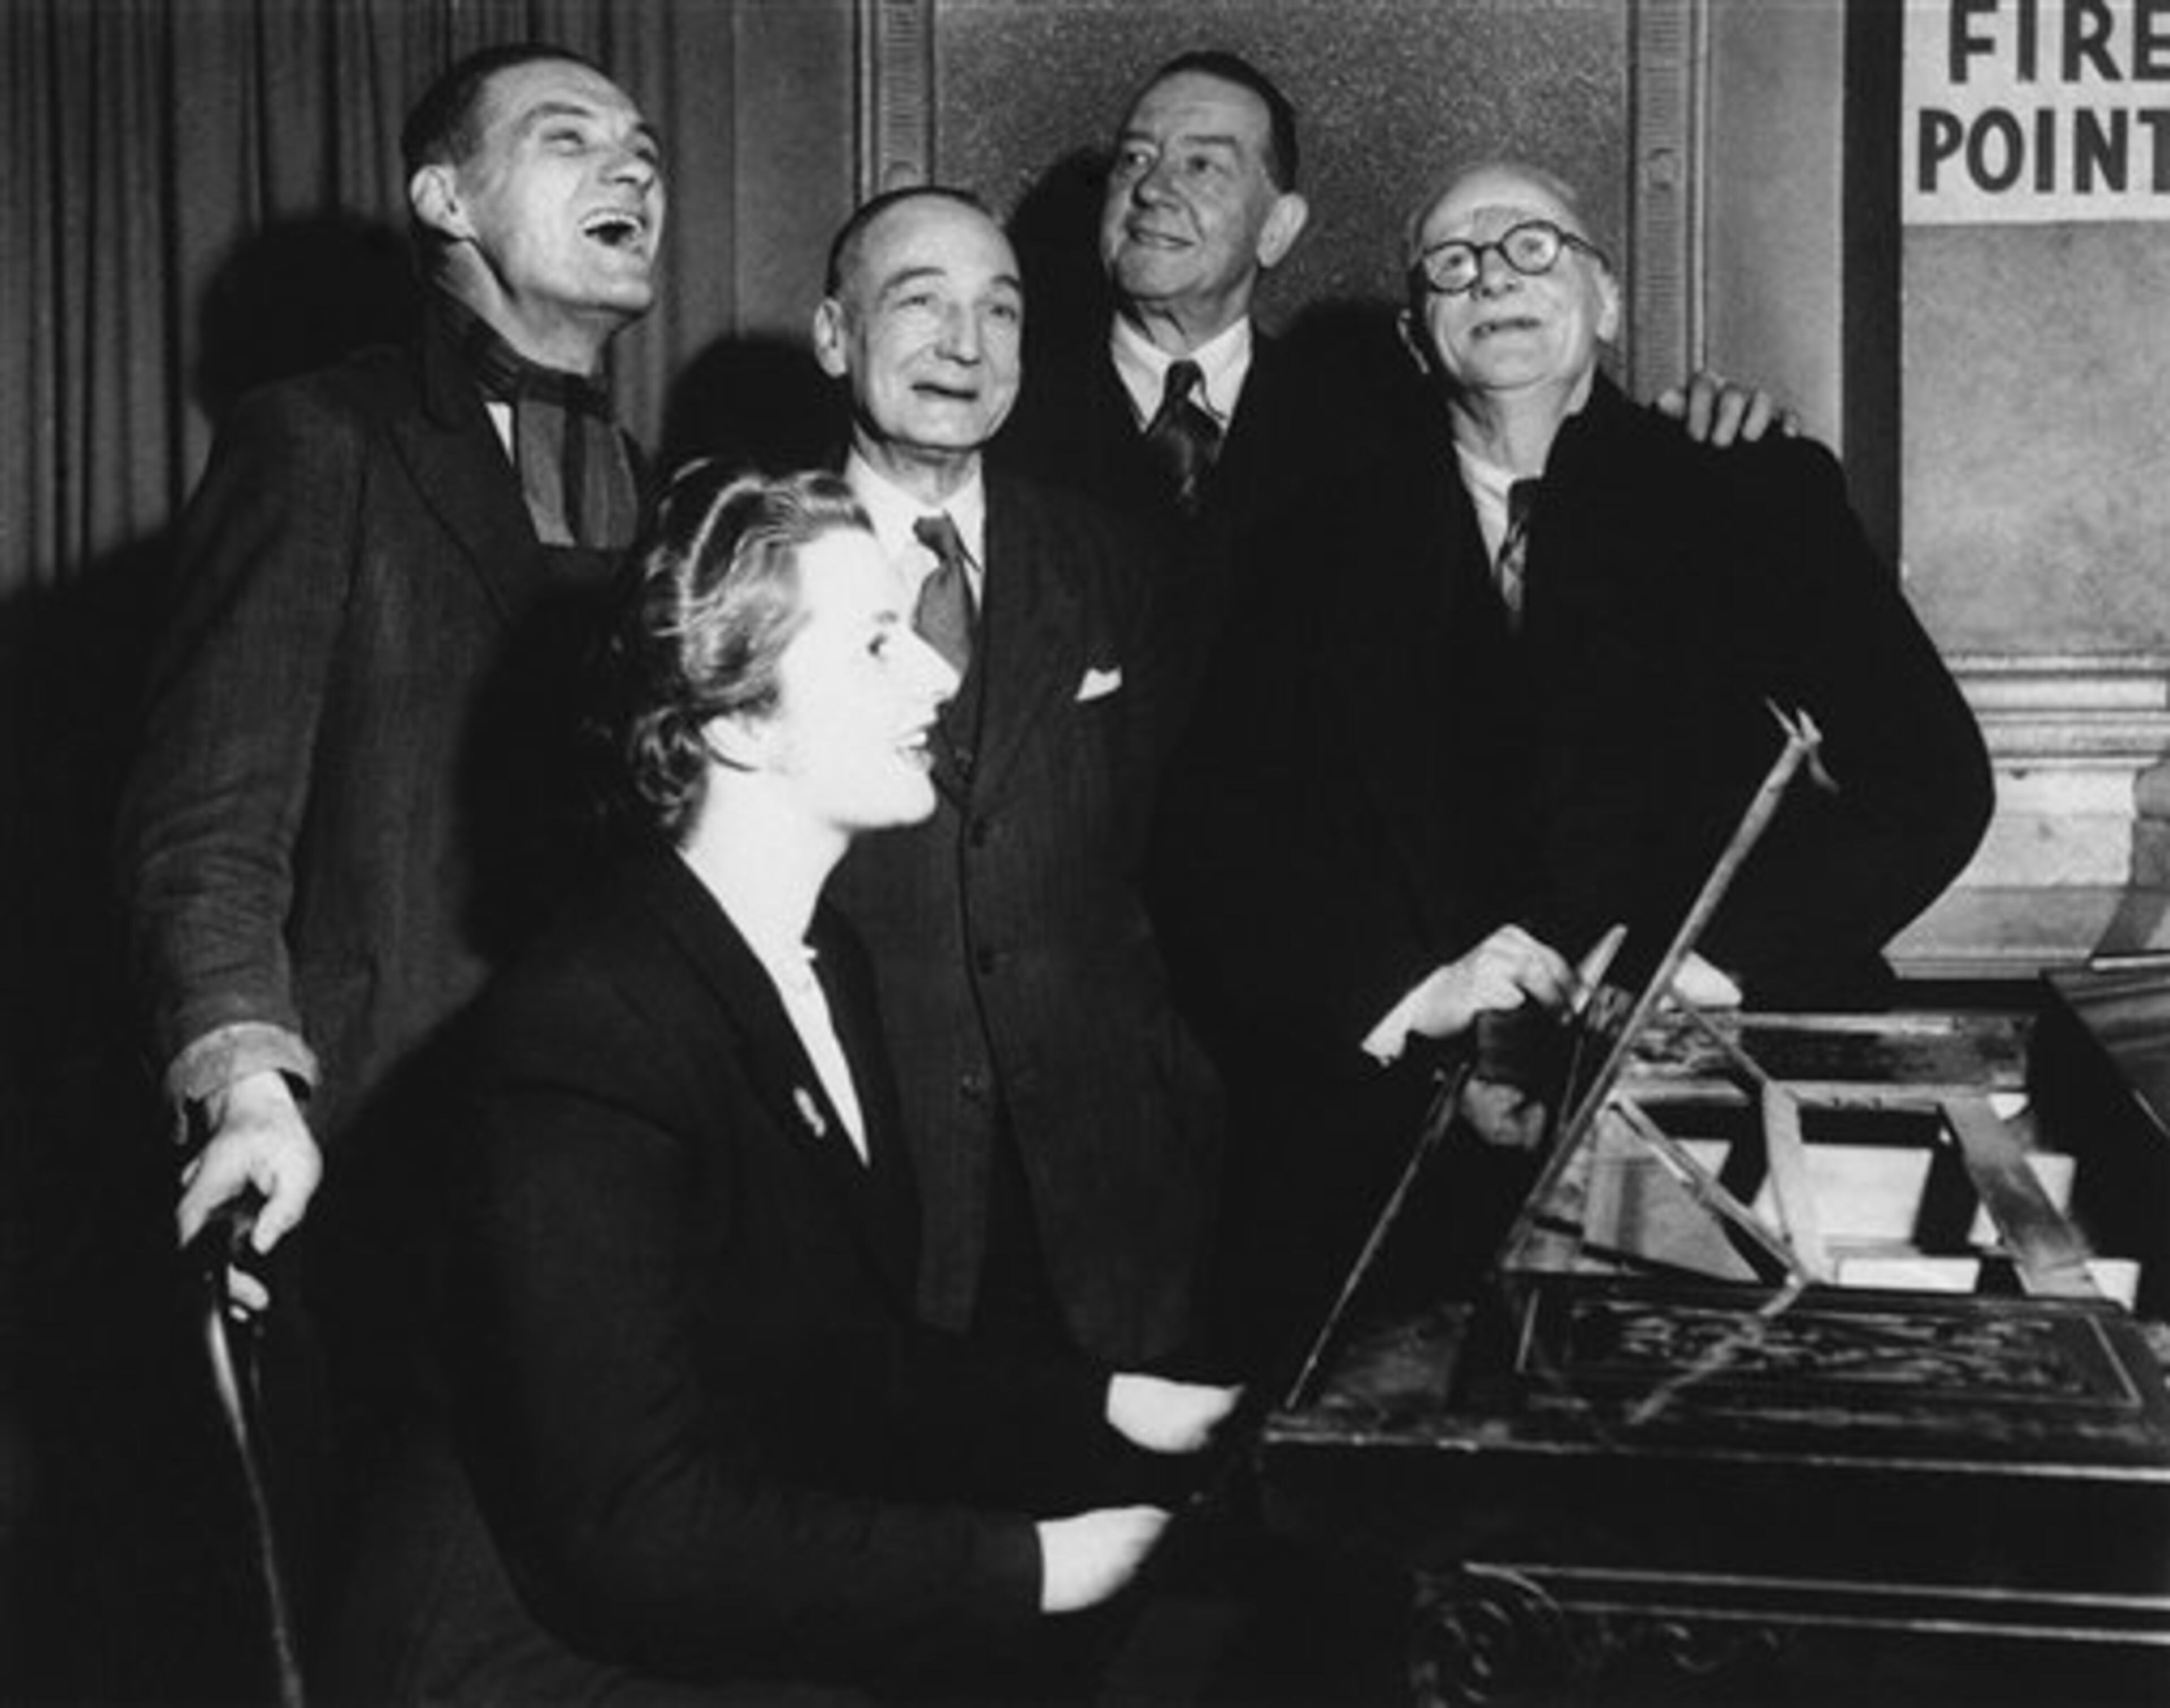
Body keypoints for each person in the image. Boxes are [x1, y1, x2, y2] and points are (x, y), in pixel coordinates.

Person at [331, 467, 1238, 1705]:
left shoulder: (824, 962)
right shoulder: (587, 1031)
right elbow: (631, 1533)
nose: (941, 675)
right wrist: (1035, 1562)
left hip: (684, 1583)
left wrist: (1131, 1409)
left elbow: (851, 1360)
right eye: (875, 645)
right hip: (525, 1657)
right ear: (740, 722)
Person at [1154, 158, 1992, 1366]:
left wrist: (1701, 964)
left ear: (1606, 302)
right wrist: (1403, 991)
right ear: (1415, 332)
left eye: (1533, 248)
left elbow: (1931, 783)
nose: (1494, 273)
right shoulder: (1308, 537)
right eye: (1455, 261)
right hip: (1408, 1152)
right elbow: (1213, 832)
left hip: (1716, 1114)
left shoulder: (1746, 488)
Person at [115, 41, 661, 1293]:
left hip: (638, 1160)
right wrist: (246, 1087)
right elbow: (206, 828)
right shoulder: (319, 440)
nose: (630, 162)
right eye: (568, 137)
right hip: (394, 1165)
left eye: (645, 150)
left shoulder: (676, 489)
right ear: (445, 201)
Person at [809, 186, 1223, 1371]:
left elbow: (1182, 856)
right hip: (861, 1185)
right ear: (836, 336)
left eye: (1001, 312)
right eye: (920, 303)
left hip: (1107, 1205)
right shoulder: (757, 562)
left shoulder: (1116, 562)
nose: (965, 345)